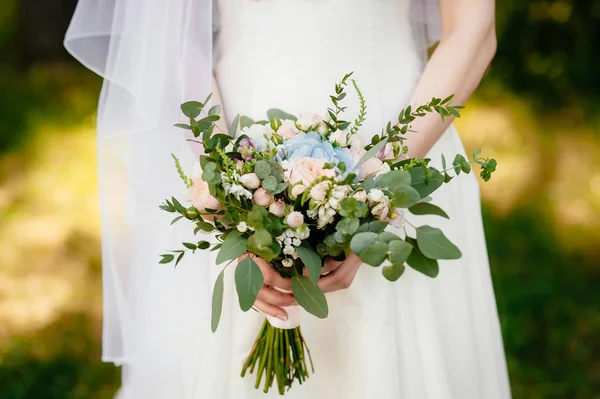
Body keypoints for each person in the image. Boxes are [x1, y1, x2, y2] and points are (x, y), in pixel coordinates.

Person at [65, 0, 511, 398]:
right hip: (236, 138)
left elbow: (472, 29)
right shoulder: (234, 177)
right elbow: (175, 39)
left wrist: (379, 194)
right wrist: (233, 195)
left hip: (404, 139)